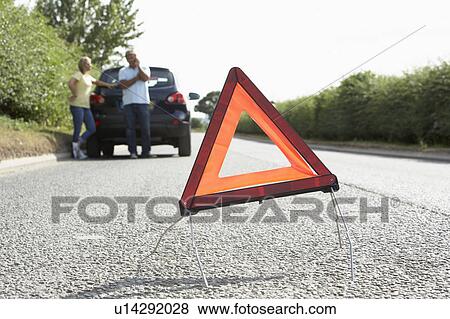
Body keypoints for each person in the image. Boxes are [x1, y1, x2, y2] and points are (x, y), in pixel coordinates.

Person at [68, 56, 114, 159]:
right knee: (78, 127)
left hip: (86, 106)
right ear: (84, 64)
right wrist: (74, 94)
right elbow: (71, 83)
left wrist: (109, 85)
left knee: (92, 128)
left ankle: (78, 143)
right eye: (89, 63)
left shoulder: (88, 77)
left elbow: (97, 82)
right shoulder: (78, 74)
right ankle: (76, 150)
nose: (91, 65)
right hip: (77, 105)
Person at [118, 50, 151, 159]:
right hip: (128, 103)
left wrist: (139, 67)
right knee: (130, 129)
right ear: (126, 58)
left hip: (143, 103)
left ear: (136, 57)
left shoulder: (144, 68)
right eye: (129, 57)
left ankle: (146, 152)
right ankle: (133, 152)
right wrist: (136, 78)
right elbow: (123, 85)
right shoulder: (123, 71)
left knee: (145, 128)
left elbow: (145, 78)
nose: (131, 58)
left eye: (133, 56)